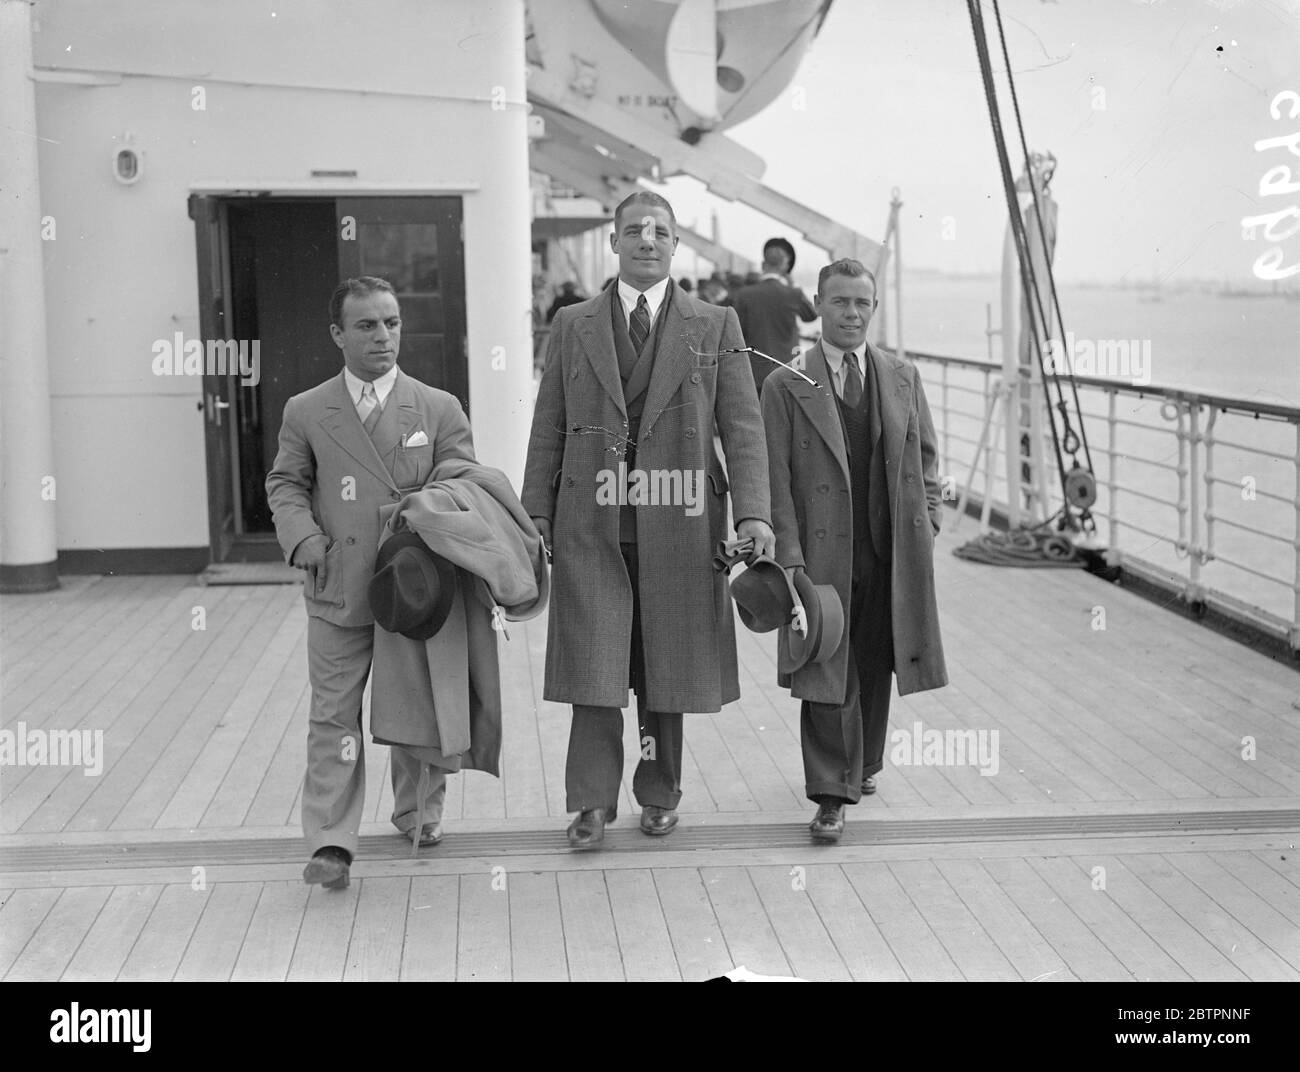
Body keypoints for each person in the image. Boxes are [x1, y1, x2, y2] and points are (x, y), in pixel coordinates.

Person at [522, 190, 774, 850]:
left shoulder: (716, 325)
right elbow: (547, 425)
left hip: (682, 522)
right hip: (590, 521)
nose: (646, 240)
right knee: (594, 670)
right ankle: (590, 804)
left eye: (659, 231)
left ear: (674, 244)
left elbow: (743, 427)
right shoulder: (573, 324)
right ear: (613, 241)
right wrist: (535, 513)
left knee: (666, 668)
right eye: (633, 229)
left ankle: (660, 793)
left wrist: (754, 514)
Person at [266, 276, 476, 890]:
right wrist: (304, 538)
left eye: (391, 322)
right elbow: (286, 484)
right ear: (338, 334)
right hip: (339, 585)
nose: (382, 336)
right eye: (366, 325)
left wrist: (430, 509)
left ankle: (419, 813)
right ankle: (331, 841)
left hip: (416, 585)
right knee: (334, 716)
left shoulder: (437, 407)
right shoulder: (306, 409)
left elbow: (463, 480)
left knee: (417, 704)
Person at [760, 258, 948, 843]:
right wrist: (787, 557)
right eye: (839, 302)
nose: (851, 313)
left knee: (874, 661)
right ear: (817, 305)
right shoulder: (784, 384)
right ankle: (830, 795)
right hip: (820, 557)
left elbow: (926, 457)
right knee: (825, 666)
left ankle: (862, 763)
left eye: (862, 303)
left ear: (873, 308)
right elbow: (774, 480)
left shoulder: (900, 376)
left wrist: (931, 519)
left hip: (888, 552)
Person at [731, 237, 816, 392]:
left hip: (754, 374)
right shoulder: (793, 294)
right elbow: (811, 315)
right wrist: (794, 285)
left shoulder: (743, 295)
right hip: (789, 371)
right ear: (785, 268)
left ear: (763, 265)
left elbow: (736, 335)